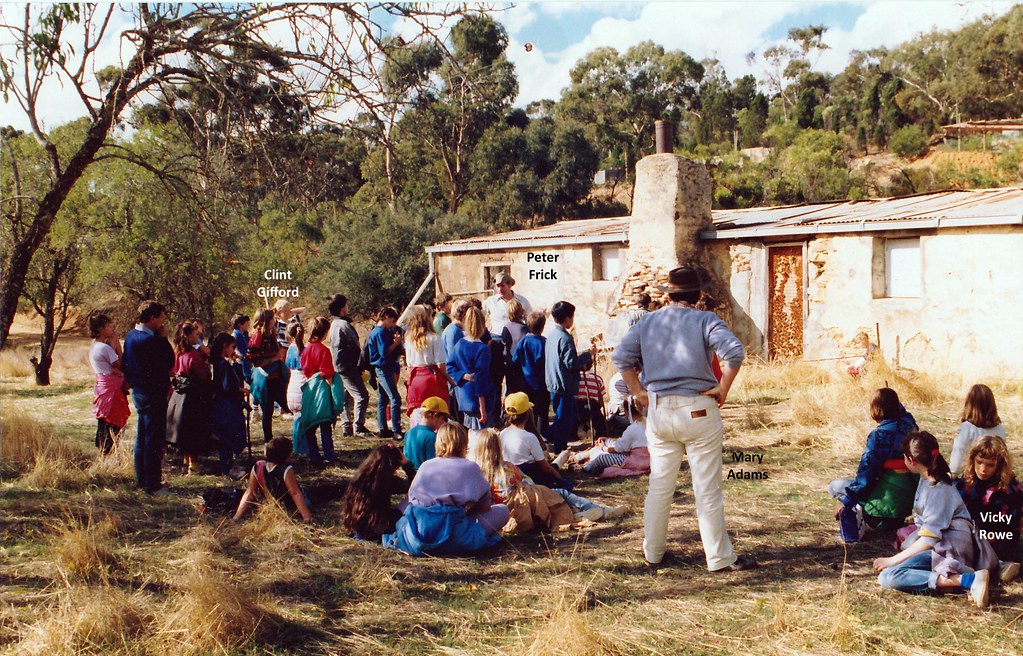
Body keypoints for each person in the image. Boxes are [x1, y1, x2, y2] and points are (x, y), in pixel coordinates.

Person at [612, 267, 754, 571]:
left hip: (660, 411)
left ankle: (653, 553)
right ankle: (718, 558)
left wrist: (638, 391)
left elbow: (621, 358)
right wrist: (724, 387)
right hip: (699, 408)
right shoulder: (706, 320)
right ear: (698, 294)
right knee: (707, 489)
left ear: (668, 294)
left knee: (659, 486)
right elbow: (735, 353)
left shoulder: (647, 321)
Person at [874, 431, 997, 609]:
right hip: (944, 545)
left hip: (951, 550)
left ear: (911, 459)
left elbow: (928, 539)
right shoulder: (929, 479)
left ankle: (967, 580)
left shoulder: (937, 489)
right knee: (904, 552)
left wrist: (893, 560)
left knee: (889, 576)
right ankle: (958, 580)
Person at [383, 422, 509, 556]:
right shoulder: (471, 467)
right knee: (503, 511)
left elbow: (412, 500)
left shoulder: (426, 466)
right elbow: (485, 507)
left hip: (421, 532)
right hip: (456, 533)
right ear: (464, 443)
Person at [470, 428, 626, 531]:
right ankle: (596, 509)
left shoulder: (477, 472)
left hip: (503, 513)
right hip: (525, 504)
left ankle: (579, 511)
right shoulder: (507, 467)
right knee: (559, 493)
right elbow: (528, 483)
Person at [829, 388, 919, 542]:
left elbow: (866, 476)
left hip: (881, 510)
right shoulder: (909, 424)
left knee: (835, 486)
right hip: (907, 504)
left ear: (875, 409)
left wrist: (847, 503)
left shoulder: (878, 436)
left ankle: (863, 514)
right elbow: (903, 412)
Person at [121, 300, 175, 496]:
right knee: (153, 439)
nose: (162, 322)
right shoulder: (150, 340)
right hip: (153, 393)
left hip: (140, 391)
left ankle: (142, 479)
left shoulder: (131, 335)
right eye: (160, 318)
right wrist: (164, 339)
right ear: (152, 318)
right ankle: (152, 485)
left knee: (143, 438)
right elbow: (169, 361)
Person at [954, 435, 1022, 583]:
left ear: (1000, 465)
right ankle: (994, 566)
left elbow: (1009, 525)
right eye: (979, 462)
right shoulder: (966, 483)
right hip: (969, 532)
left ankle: (995, 564)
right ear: (973, 460)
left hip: (997, 537)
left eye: (990, 465)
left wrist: (986, 536)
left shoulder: (1010, 490)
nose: (983, 469)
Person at [545, 301, 594, 455]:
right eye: (572, 317)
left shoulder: (552, 335)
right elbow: (571, 363)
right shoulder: (565, 338)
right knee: (564, 420)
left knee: (568, 417)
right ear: (567, 318)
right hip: (564, 384)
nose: (573, 320)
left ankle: (546, 437)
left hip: (554, 381)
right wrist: (588, 355)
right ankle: (558, 448)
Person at [341, 443, 417, 542]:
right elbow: (414, 485)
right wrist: (407, 465)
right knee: (407, 504)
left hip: (357, 525)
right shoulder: (388, 481)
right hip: (377, 527)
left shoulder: (360, 477)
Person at [166, 320, 213, 475]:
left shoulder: (177, 353)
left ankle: (187, 460)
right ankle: (193, 465)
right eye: (194, 335)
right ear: (187, 337)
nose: (196, 337)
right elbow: (203, 375)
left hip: (178, 395)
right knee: (192, 431)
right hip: (192, 396)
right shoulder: (193, 355)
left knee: (184, 431)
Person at [500, 392, 573, 491]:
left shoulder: (502, 434)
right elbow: (545, 467)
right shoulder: (530, 437)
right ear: (527, 413)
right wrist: (560, 479)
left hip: (509, 475)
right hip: (528, 477)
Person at [233, 437, 313, 523]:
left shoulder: (258, 466)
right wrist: (306, 516)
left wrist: (237, 516)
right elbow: (295, 493)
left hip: (272, 504)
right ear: (287, 455)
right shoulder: (285, 469)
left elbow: (249, 492)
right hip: (288, 504)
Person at [297, 316, 341, 466]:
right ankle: (329, 456)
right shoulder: (323, 350)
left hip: (309, 389)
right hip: (321, 388)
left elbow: (305, 370)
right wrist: (332, 395)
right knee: (325, 425)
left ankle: (314, 455)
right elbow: (328, 374)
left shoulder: (306, 349)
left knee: (311, 426)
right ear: (325, 333)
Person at [326, 294, 371, 438]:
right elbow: (355, 346)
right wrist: (361, 362)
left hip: (337, 366)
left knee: (346, 397)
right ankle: (359, 426)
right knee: (362, 396)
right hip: (347, 366)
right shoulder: (344, 325)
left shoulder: (334, 324)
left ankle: (346, 426)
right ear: (342, 308)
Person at [88, 314, 130, 455]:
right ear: (101, 328)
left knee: (104, 424)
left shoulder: (95, 346)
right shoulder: (104, 348)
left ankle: (104, 455)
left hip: (103, 389)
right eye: (109, 326)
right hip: (112, 391)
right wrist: (118, 346)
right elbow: (121, 364)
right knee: (113, 423)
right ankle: (109, 454)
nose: (112, 328)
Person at [248, 308, 290, 443]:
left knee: (285, 404)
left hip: (276, 377)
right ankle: (268, 441)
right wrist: (274, 358)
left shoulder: (270, 333)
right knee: (267, 411)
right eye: (272, 318)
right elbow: (253, 359)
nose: (275, 320)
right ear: (267, 320)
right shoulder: (257, 336)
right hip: (265, 378)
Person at [446, 306, 492, 430]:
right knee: (479, 436)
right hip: (478, 400)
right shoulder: (483, 349)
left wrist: (462, 376)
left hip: (464, 397)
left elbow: (449, 366)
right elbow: (480, 380)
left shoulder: (460, 344)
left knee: (470, 432)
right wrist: (482, 408)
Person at [574, 399, 648, 475]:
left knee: (601, 457)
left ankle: (587, 467)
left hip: (636, 460)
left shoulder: (632, 428)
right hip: (648, 458)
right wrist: (607, 440)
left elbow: (620, 449)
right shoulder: (648, 422)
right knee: (607, 442)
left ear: (626, 411)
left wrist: (603, 447)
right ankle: (580, 457)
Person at [403, 305, 453, 416]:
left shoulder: (408, 338)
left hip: (415, 378)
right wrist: (449, 379)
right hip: (431, 379)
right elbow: (441, 365)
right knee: (436, 413)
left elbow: (409, 363)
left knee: (418, 413)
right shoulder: (434, 338)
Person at [209, 332, 247, 475]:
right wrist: (240, 389)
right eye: (232, 347)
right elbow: (227, 386)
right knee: (229, 436)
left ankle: (228, 466)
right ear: (225, 346)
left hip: (220, 404)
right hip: (227, 405)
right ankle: (227, 468)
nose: (233, 350)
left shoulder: (216, 363)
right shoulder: (222, 364)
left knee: (226, 436)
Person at [949, 384, 1007, 477]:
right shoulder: (1000, 428)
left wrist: (951, 474)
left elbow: (957, 462)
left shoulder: (966, 428)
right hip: (994, 476)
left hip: (972, 477)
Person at [368, 307, 405, 438]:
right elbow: (384, 352)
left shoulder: (382, 331)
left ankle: (383, 428)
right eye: (392, 320)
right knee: (395, 397)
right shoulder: (379, 333)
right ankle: (396, 428)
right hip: (383, 368)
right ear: (386, 317)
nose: (393, 324)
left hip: (386, 368)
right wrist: (396, 343)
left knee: (383, 399)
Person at [512, 311, 549, 436]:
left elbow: (515, 360)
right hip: (541, 382)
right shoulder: (544, 343)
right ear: (543, 327)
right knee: (542, 412)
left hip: (526, 382)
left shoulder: (523, 341)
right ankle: (542, 436)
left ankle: (529, 433)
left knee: (528, 410)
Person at [403, 396, 450, 471]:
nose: (444, 422)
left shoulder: (409, 432)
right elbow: (433, 465)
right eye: (444, 419)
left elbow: (405, 458)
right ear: (434, 416)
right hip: (425, 477)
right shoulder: (431, 437)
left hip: (411, 476)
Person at [482, 272, 532, 339]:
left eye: (502, 286)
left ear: (509, 285)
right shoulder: (490, 301)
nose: (500, 289)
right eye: (497, 286)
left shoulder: (522, 301)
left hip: (517, 339)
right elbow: (479, 318)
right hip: (496, 338)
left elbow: (530, 321)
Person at [284, 322, 307, 454]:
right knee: (301, 420)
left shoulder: (289, 350)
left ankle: (299, 447)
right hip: (302, 386)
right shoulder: (303, 350)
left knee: (297, 419)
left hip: (292, 383)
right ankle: (301, 448)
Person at [501, 299, 529, 395]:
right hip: (523, 365)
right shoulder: (525, 329)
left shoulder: (506, 328)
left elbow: (505, 348)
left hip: (511, 365)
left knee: (511, 392)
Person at [576, 359, 607, 439]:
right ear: (591, 365)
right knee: (595, 408)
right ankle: (595, 428)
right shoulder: (598, 379)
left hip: (577, 407)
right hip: (593, 407)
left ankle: (581, 427)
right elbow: (600, 399)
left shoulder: (575, 378)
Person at [231, 314, 252, 384]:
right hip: (239, 364)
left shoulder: (245, 335)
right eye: (246, 322)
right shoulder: (235, 336)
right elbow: (230, 350)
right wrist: (237, 356)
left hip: (246, 362)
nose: (248, 324)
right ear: (240, 324)